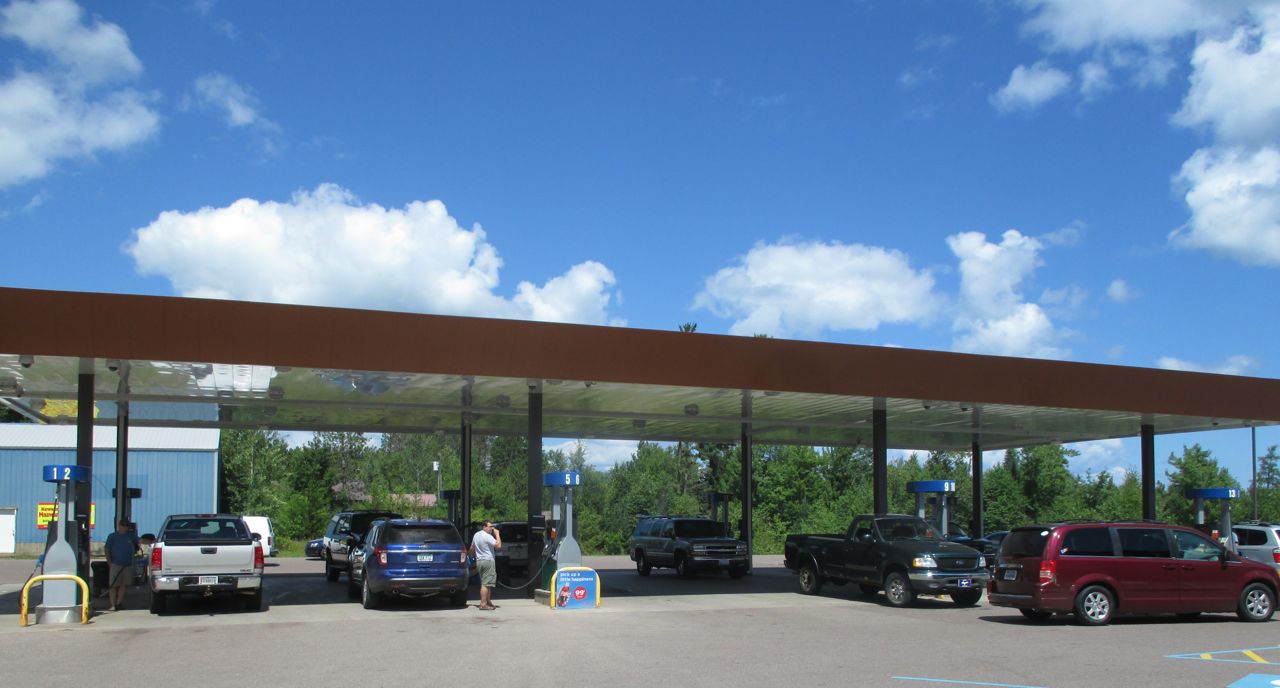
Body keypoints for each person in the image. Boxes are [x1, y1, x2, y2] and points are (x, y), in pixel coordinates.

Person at [104, 520, 140, 611]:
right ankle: (112, 604)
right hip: (116, 564)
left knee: (123, 584)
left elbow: (140, 540)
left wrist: (152, 541)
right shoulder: (112, 536)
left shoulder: (131, 536)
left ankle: (118, 603)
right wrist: (109, 562)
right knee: (113, 585)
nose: (124, 527)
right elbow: (107, 549)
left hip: (127, 565)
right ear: (119, 525)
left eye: (126, 525)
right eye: (123, 525)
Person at [469, 520, 502, 610]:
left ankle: (488, 602)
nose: (491, 528)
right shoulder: (487, 536)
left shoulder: (476, 535)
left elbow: (472, 548)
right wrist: (497, 534)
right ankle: (483, 604)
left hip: (480, 561)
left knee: (487, 583)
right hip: (488, 561)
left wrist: (470, 557)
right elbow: (498, 546)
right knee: (485, 584)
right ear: (484, 527)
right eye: (490, 526)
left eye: (492, 527)